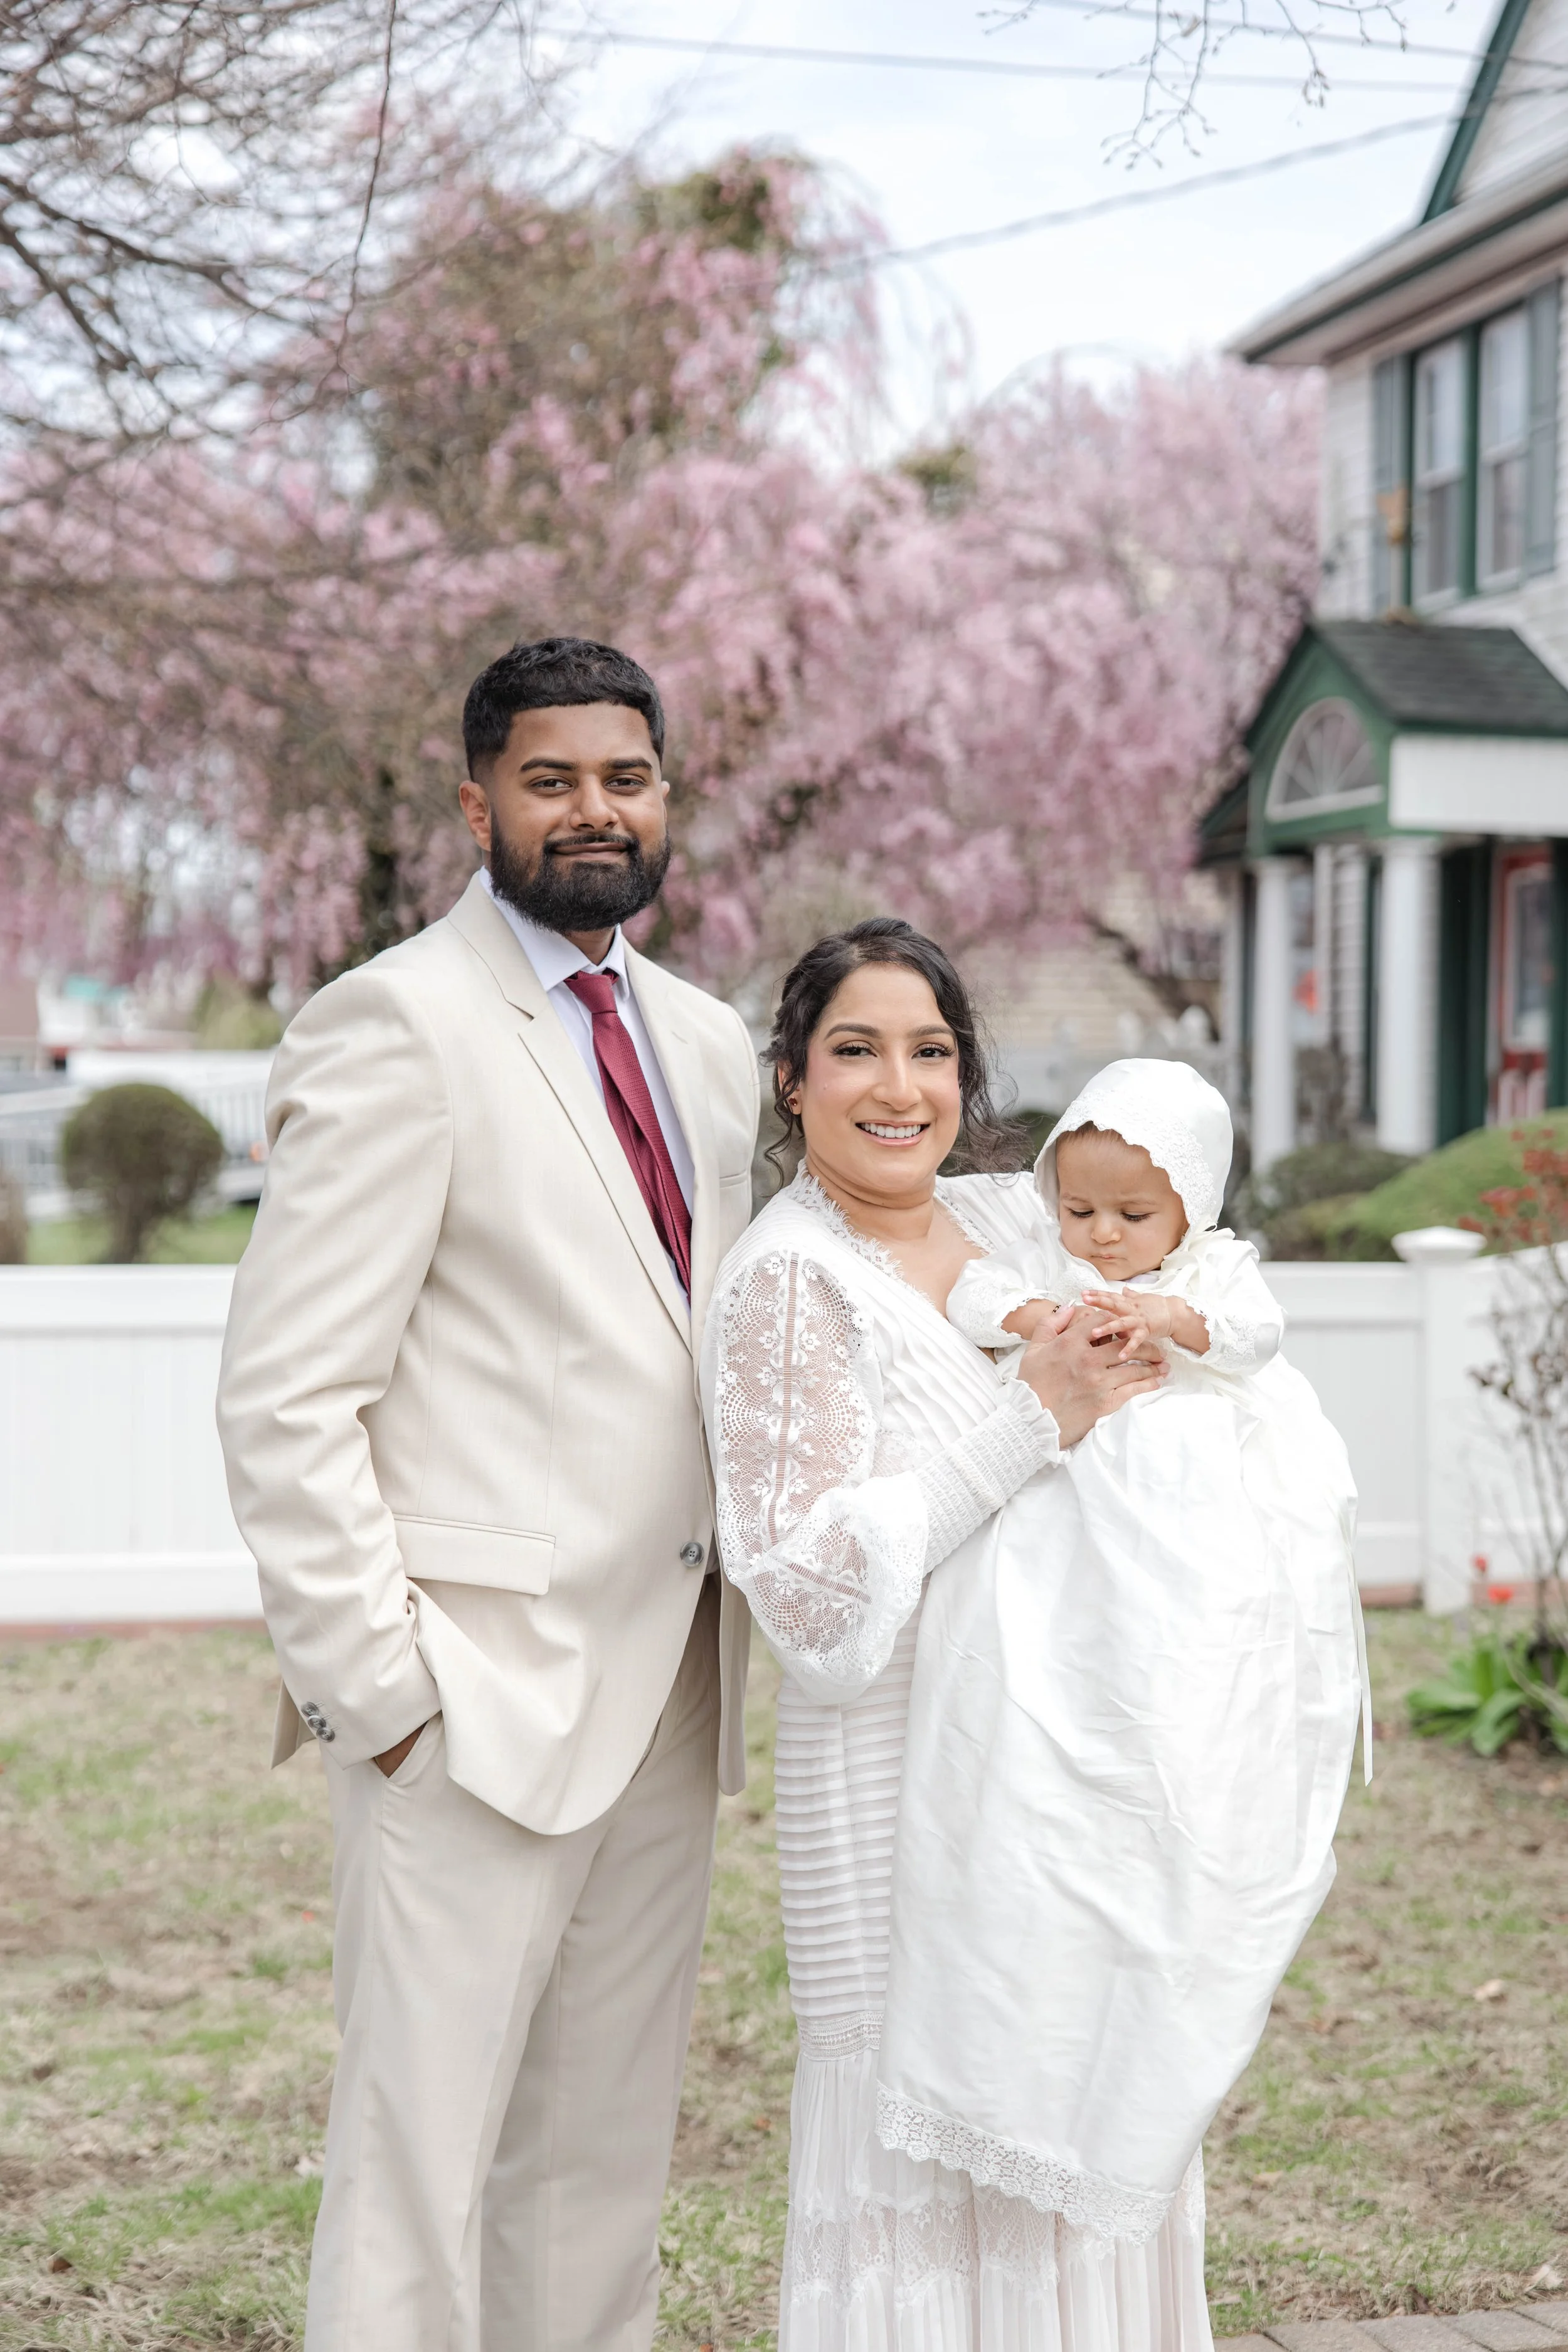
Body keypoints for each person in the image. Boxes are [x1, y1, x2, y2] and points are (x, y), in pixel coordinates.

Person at [216, 636, 760, 2352]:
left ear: (664, 796)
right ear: (477, 803)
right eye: (551, 778)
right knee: (415, 2166)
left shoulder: (708, 1040)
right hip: (464, 1698)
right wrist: (378, 1694)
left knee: (597, 2163)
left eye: (626, 775)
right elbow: (290, 1393)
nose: (593, 808)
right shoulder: (395, 1022)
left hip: (671, 1687)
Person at [699, 918, 1171, 2351]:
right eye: (853, 1050)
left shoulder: (1027, 1223)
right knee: (937, 2161)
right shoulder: (788, 1287)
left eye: (928, 1050)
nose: (894, 1085)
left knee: (1080, 2146)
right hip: (899, 1797)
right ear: (791, 1080)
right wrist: (1031, 1419)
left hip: (1067, 1782)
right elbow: (811, 1608)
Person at [876, 1059, 1368, 2336]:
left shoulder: (1210, 1273)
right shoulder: (1049, 1263)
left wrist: (1171, 1325)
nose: (1098, 1237)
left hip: (1180, 1510)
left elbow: (1256, 1335)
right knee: (1035, 1650)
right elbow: (978, 1291)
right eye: (1080, 1209)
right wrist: (1037, 1316)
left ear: (1187, 1208)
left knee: (1178, 1662)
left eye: (1127, 1218)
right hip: (1069, 1509)